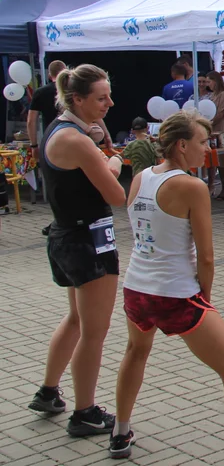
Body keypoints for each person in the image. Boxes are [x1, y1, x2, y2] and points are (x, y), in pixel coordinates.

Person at [110, 111, 224, 465]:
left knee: (135, 352)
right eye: (203, 142)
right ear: (182, 145)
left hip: (136, 289)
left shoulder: (140, 178)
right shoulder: (192, 186)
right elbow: (206, 256)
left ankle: (120, 431)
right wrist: (204, 297)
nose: (208, 149)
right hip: (176, 293)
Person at [29, 64, 126, 436]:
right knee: (93, 331)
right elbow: (115, 195)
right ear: (78, 99)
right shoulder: (76, 140)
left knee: (75, 321)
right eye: (101, 98)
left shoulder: (62, 128)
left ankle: (49, 391)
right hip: (87, 241)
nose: (109, 103)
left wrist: (98, 143)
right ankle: (84, 411)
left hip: (67, 236)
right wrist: (116, 159)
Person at [28, 60, 66, 163]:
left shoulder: (40, 92)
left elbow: (31, 121)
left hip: (50, 137)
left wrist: (34, 145)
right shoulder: (73, 90)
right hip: (73, 136)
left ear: (49, 76)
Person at [205, 71, 224, 201]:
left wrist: (210, 122)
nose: (207, 84)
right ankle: (211, 185)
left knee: (222, 160)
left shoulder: (223, 94)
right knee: (211, 158)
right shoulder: (211, 96)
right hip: (210, 129)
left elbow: (222, 112)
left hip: (220, 128)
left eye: (209, 81)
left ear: (215, 81)